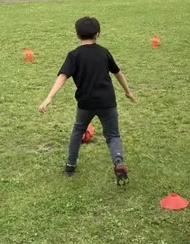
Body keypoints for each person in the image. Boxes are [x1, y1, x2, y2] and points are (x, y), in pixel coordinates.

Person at [39, 16, 136, 186]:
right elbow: (118, 73)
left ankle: (70, 166)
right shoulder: (104, 52)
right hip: (107, 102)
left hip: (86, 103)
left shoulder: (74, 55)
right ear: (97, 34)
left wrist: (49, 97)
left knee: (78, 132)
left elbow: (63, 76)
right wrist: (128, 92)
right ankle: (118, 162)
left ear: (77, 35)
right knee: (113, 135)